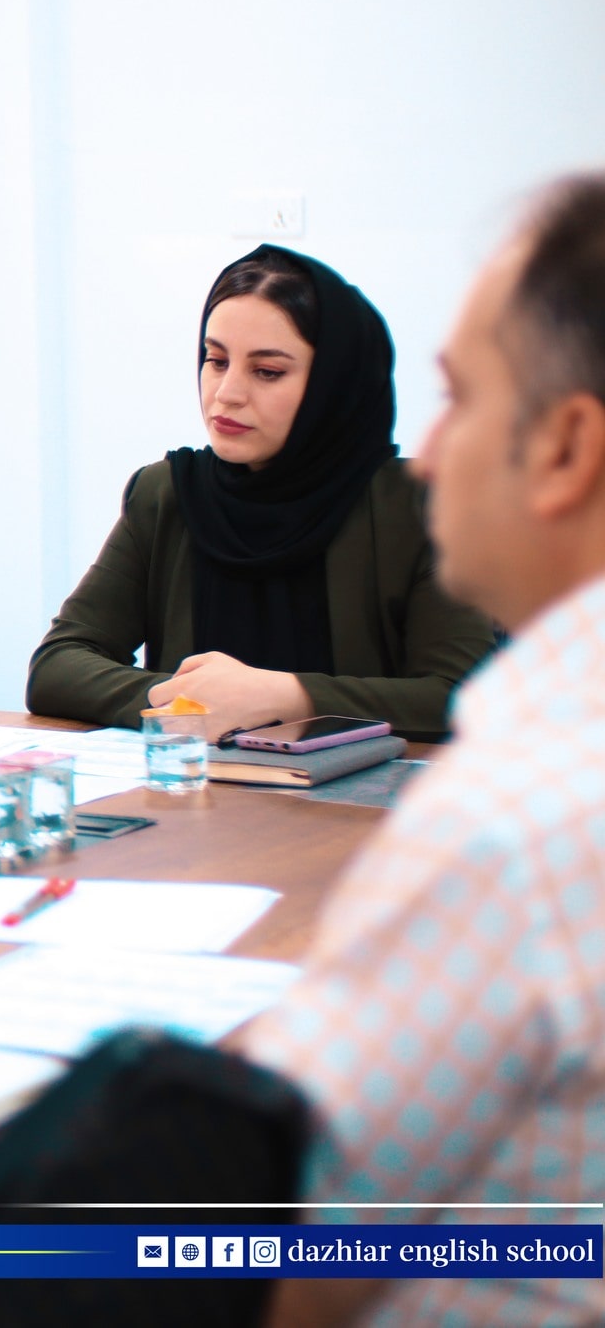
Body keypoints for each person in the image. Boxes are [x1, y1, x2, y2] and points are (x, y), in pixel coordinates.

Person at [245, 176, 605, 1327]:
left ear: (564, 447)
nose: (425, 455)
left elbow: (272, 1255)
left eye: (456, 399)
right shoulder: (167, 490)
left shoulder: (509, 826)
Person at [26, 245, 495, 739]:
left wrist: (286, 696)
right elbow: (57, 666)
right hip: (197, 785)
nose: (226, 393)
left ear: (334, 385)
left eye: (267, 371)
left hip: (365, 791)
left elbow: (466, 697)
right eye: (216, 360)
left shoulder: (417, 504)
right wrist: (190, 704)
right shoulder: (167, 493)